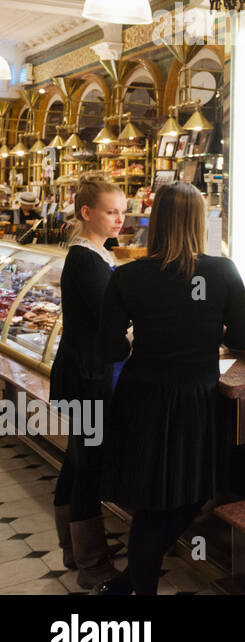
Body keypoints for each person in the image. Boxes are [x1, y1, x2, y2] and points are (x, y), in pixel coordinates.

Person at [96, 182, 245, 595]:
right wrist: (203, 333)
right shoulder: (223, 272)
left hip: (142, 396)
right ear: (201, 222)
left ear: (156, 221)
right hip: (195, 400)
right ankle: (136, 586)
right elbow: (242, 338)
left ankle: (132, 582)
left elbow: (108, 344)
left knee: (150, 500)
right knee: (187, 498)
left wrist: (142, 340)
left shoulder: (128, 276)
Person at [50, 173, 126, 587]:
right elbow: (110, 326)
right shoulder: (86, 260)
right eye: (111, 212)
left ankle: (73, 548)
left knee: (77, 460)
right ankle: (92, 566)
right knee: (88, 466)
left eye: (122, 212)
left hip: (79, 373)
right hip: (87, 377)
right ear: (87, 212)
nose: (119, 220)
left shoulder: (95, 253)